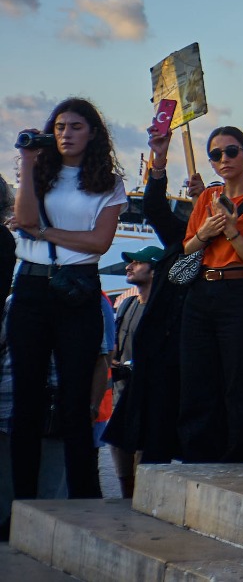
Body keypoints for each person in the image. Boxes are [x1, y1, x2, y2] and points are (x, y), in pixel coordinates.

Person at [7, 97, 125, 499]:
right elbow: (23, 220)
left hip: (78, 287)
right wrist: (27, 162)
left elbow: (99, 241)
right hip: (32, 286)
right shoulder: (40, 172)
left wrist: (44, 233)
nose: (65, 134)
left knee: (76, 400)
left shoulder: (107, 182)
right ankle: (22, 503)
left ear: (92, 132)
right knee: (28, 398)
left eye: (75, 126)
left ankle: (84, 501)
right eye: (59, 127)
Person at [176, 127, 243, 463]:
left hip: (238, 291)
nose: (224, 159)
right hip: (201, 291)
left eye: (231, 151)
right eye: (216, 154)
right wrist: (205, 233)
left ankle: (240, 457)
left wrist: (231, 231)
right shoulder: (206, 198)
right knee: (197, 377)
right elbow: (187, 248)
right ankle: (197, 454)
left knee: (239, 379)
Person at [103, 125, 195, 476]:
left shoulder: (217, 251)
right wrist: (159, 159)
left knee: (164, 435)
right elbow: (155, 206)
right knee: (133, 433)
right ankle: (132, 497)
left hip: (187, 356)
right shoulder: (181, 241)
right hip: (157, 354)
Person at [104, 244, 159, 496]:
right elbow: (116, 344)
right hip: (120, 390)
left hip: (147, 393)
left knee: (142, 448)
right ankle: (128, 495)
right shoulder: (126, 305)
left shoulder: (161, 310)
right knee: (117, 446)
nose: (129, 266)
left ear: (154, 271)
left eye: (137, 262)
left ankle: (140, 498)